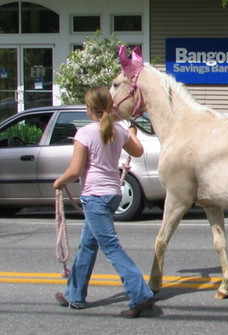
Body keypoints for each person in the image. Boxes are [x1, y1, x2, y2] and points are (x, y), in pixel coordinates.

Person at [53, 87, 154, 318]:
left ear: (90, 109)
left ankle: (141, 295)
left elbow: (75, 169)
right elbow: (137, 152)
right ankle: (74, 295)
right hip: (112, 194)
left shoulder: (85, 133)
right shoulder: (118, 130)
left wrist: (59, 181)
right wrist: (133, 134)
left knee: (111, 247)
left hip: (95, 197)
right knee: (88, 246)